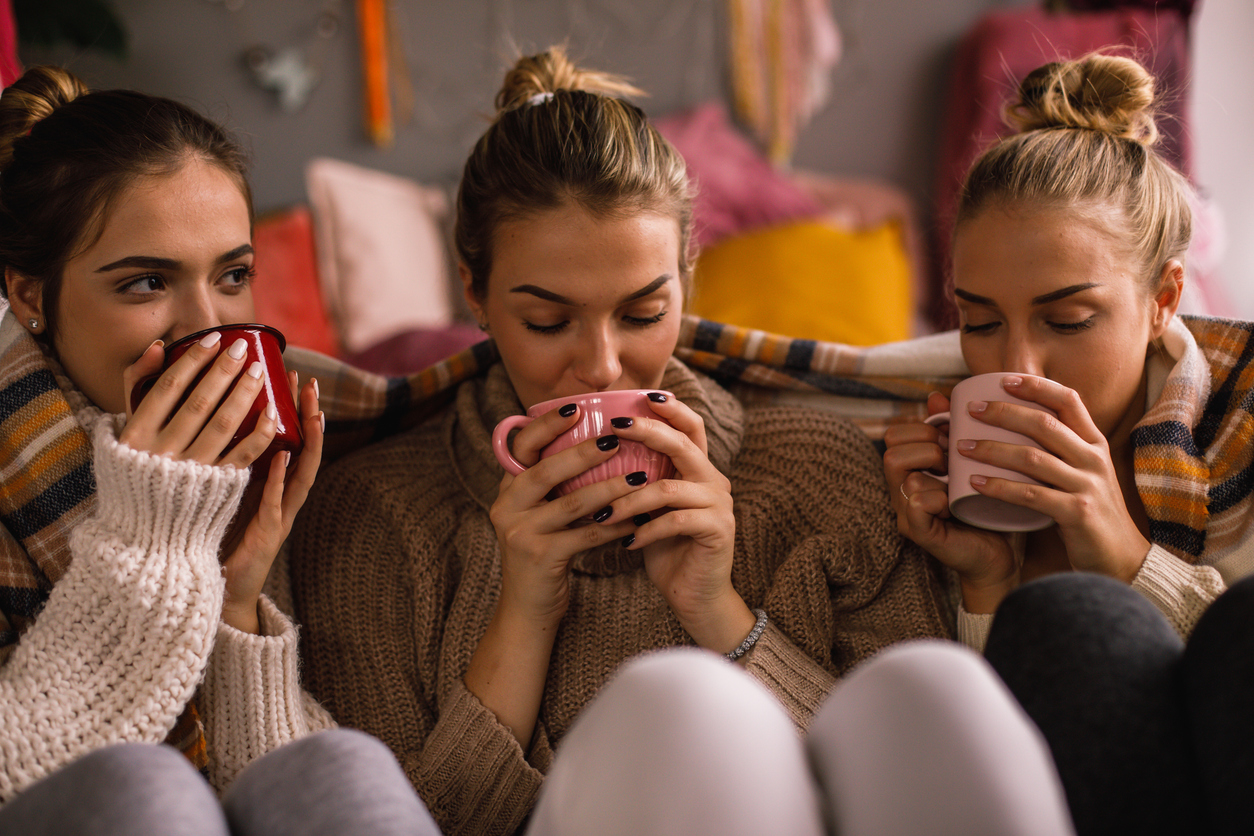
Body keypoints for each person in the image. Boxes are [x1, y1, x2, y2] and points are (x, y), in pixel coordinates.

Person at [288, 47, 1079, 836]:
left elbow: (894, 787)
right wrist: (522, 614)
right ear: (475, 293)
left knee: (936, 685)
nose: (602, 363)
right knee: (679, 707)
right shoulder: (372, 517)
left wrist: (717, 611)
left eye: (640, 314)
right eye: (547, 321)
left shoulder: (825, 473)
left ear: (687, 281)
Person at [0, 66, 438, 835]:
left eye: (234, 275)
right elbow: (25, 773)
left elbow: (268, 792)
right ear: (31, 296)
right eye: (145, 283)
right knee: (143, 789)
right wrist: (152, 539)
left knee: (343, 764)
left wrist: (234, 603)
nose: (207, 326)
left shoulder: (259, 460)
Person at [883, 53, 1254, 835]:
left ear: (1164, 301)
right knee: (1066, 622)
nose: (1015, 368)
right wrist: (986, 586)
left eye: (1068, 321)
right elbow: (960, 788)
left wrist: (1125, 554)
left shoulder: (1237, 431)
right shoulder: (914, 463)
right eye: (978, 323)